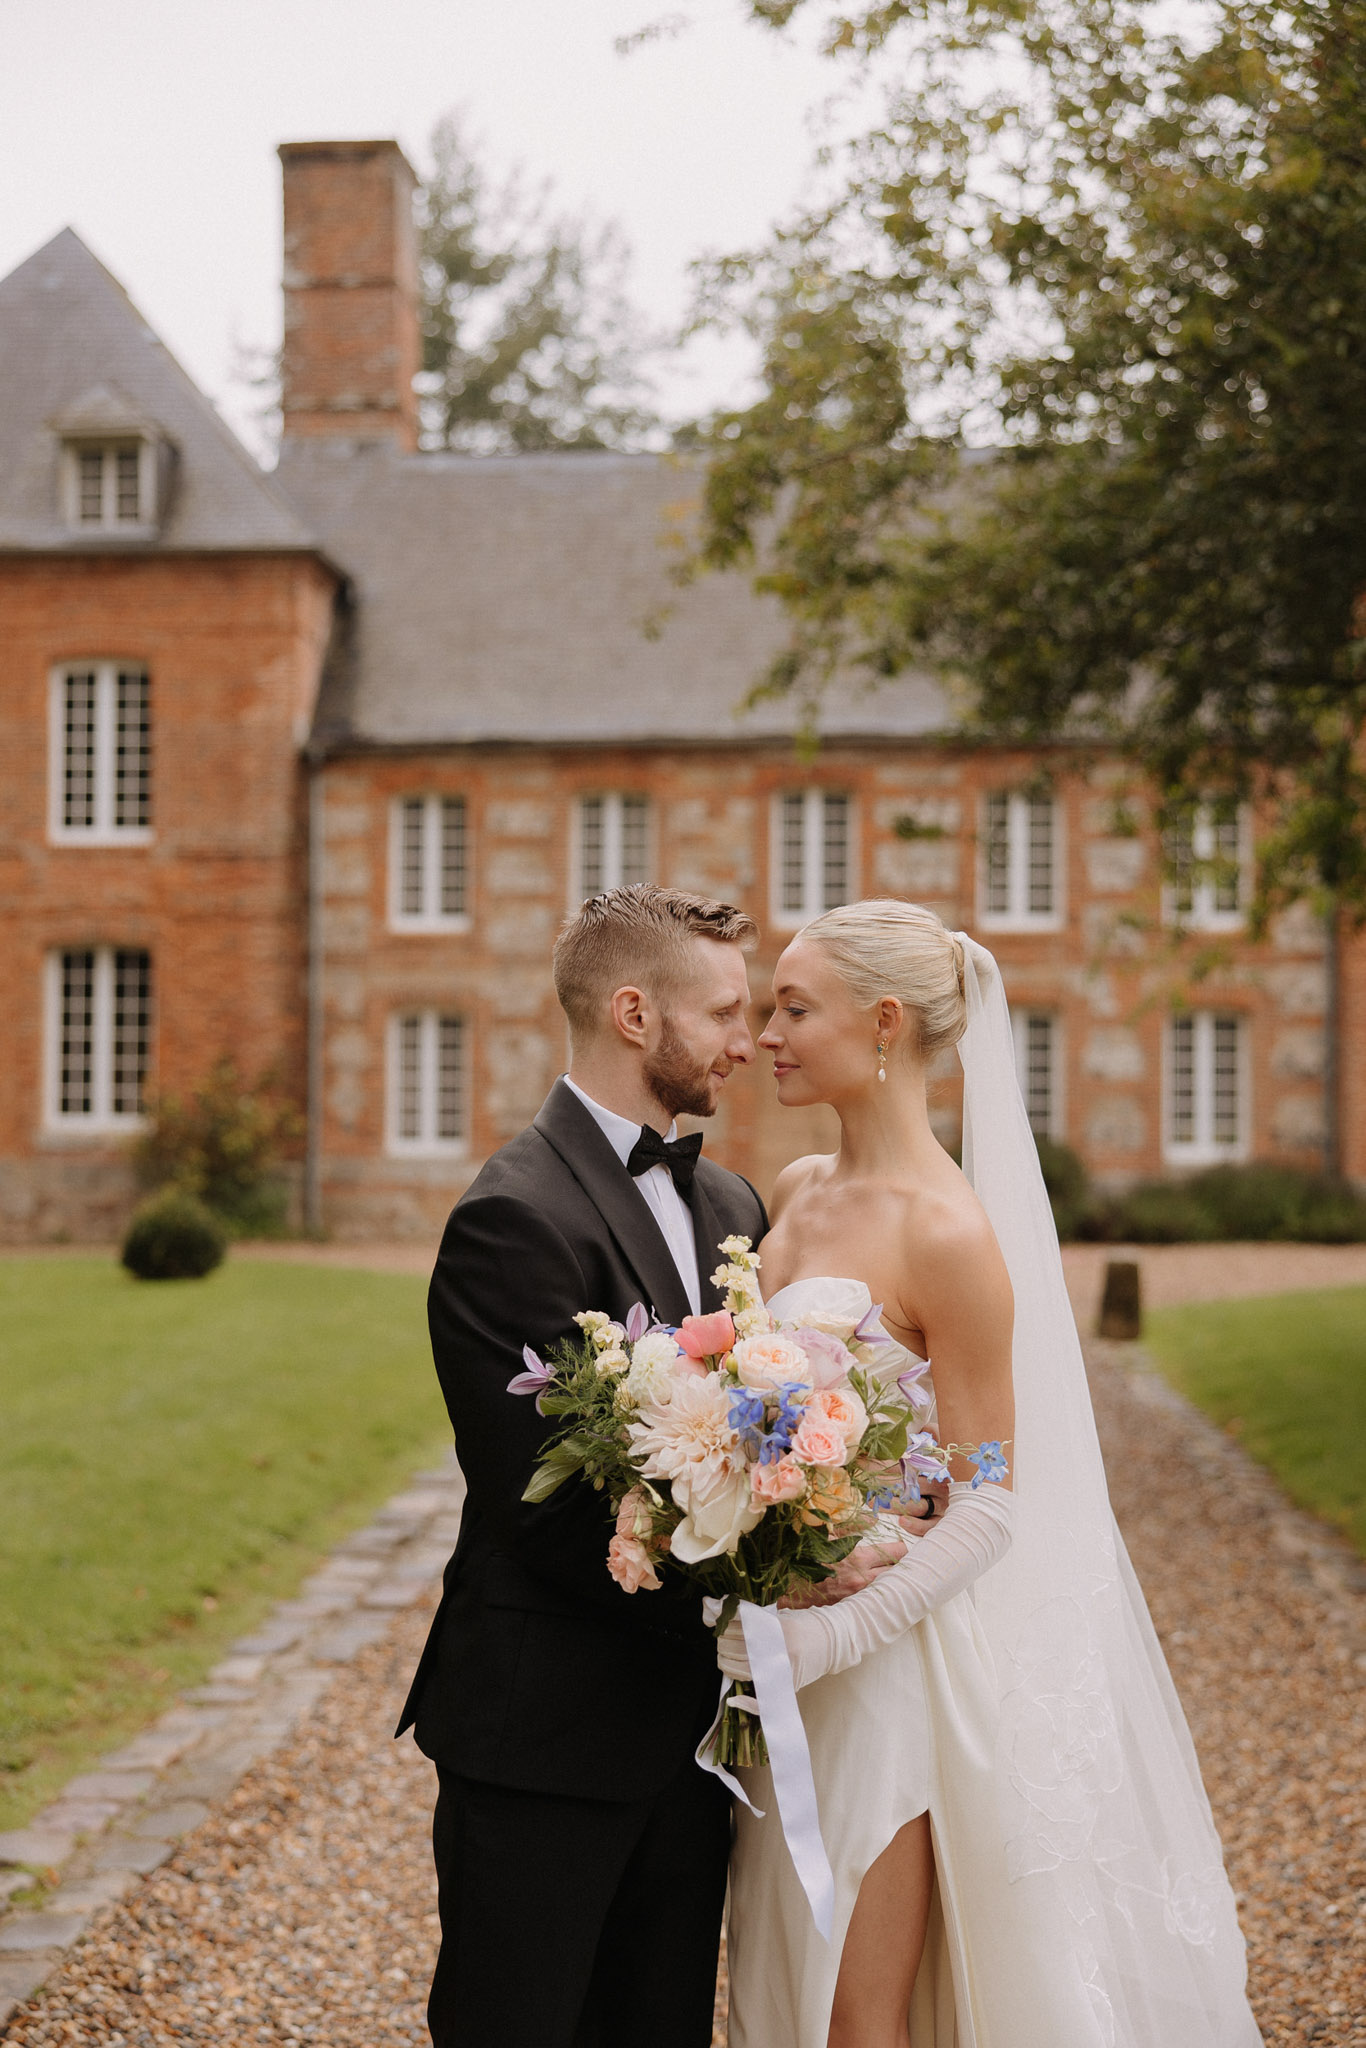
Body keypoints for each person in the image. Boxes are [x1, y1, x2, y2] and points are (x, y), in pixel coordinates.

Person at [719, 899, 1262, 2048]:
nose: (763, 1031)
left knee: (847, 2010)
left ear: (880, 1023)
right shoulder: (798, 1187)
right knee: (770, 1980)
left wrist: (837, 1636)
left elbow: (993, 1496)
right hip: (773, 1651)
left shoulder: (949, 1234)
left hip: (881, 1671)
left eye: (791, 1006)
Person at [399, 884, 777, 2048]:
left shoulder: (729, 1199)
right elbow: (543, 1505)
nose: (746, 1040)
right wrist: (770, 1572)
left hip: (693, 1739)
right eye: (723, 1011)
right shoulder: (511, 1216)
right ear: (631, 1013)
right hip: (546, 1733)